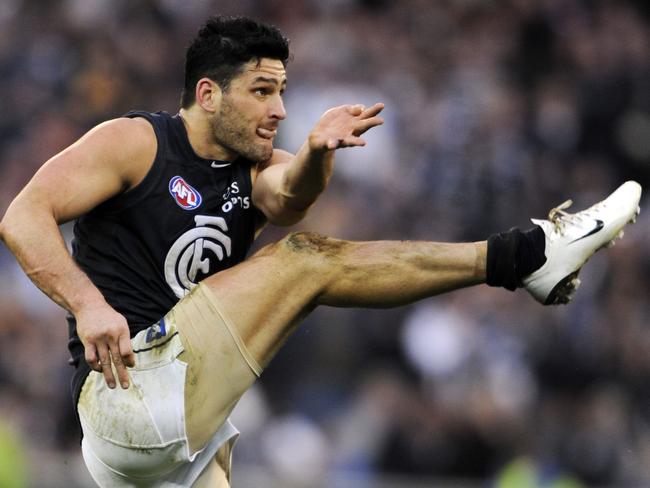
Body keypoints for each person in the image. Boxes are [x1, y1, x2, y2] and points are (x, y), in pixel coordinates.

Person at [0, 15, 641, 488]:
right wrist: (86, 303)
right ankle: (526, 255)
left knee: (299, 252)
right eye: (261, 91)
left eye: (281, 91)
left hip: (183, 423)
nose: (278, 108)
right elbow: (22, 215)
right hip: (129, 393)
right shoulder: (134, 142)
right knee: (303, 259)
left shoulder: (253, 173)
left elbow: (289, 196)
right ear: (207, 95)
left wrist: (315, 153)